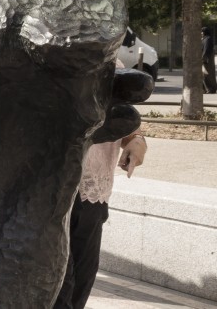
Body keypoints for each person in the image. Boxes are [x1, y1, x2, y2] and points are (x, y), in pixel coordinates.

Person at [54, 126, 147, 309]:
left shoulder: (110, 96)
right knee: (61, 281)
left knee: (83, 276)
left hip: (93, 192)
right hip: (50, 191)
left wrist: (137, 142)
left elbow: (130, 128)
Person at [202, 27, 217, 94]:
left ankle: (210, 88)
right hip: (206, 59)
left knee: (207, 74)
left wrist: (204, 58)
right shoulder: (205, 39)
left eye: (202, 32)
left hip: (207, 60)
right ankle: (207, 88)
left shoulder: (207, 39)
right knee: (204, 74)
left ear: (204, 32)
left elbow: (206, 50)